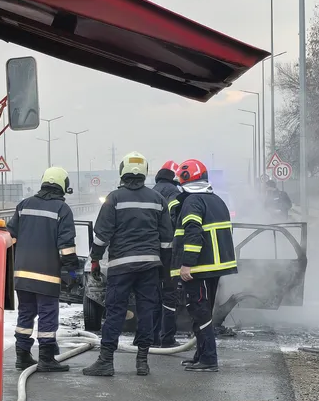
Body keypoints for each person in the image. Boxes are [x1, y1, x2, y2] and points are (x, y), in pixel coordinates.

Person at [83, 151, 173, 377]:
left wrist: (95, 259)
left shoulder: (114, 198)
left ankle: (106, 361)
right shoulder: (158, 200)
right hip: (150, 266)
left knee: (115, 312)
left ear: (122, 171)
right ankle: (142, 362)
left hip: (121, 267)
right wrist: (165, 269)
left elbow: (102, 235)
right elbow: (166, 240)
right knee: (146, 312)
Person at [6, 167, 80, 372]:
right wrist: (71, 273)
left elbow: (10, 236)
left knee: (25, 314)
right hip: (47, 275)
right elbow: (66, 246)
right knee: (47, 314)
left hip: (22, 274)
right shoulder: (62, 209)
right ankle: (46, 357)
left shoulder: (24, 205)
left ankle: (22, 355)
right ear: (63, 185)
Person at [171, 159, 238, 372]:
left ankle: (209, 359)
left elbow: (193, 233)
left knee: (199, 312)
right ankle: (200, 355)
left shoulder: (192, 201)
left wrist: (187, 265)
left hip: (198, 269)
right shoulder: (216, 200)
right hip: (215, 267)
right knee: (205, 310)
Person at [153, 160, 184, 347]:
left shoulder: (150, 193)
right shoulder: (176, 194)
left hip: (151, 252)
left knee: (151, 296)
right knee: (169, 295)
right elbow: (179, 223)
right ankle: (168, 338)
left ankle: (150, 336)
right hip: (171, 253)